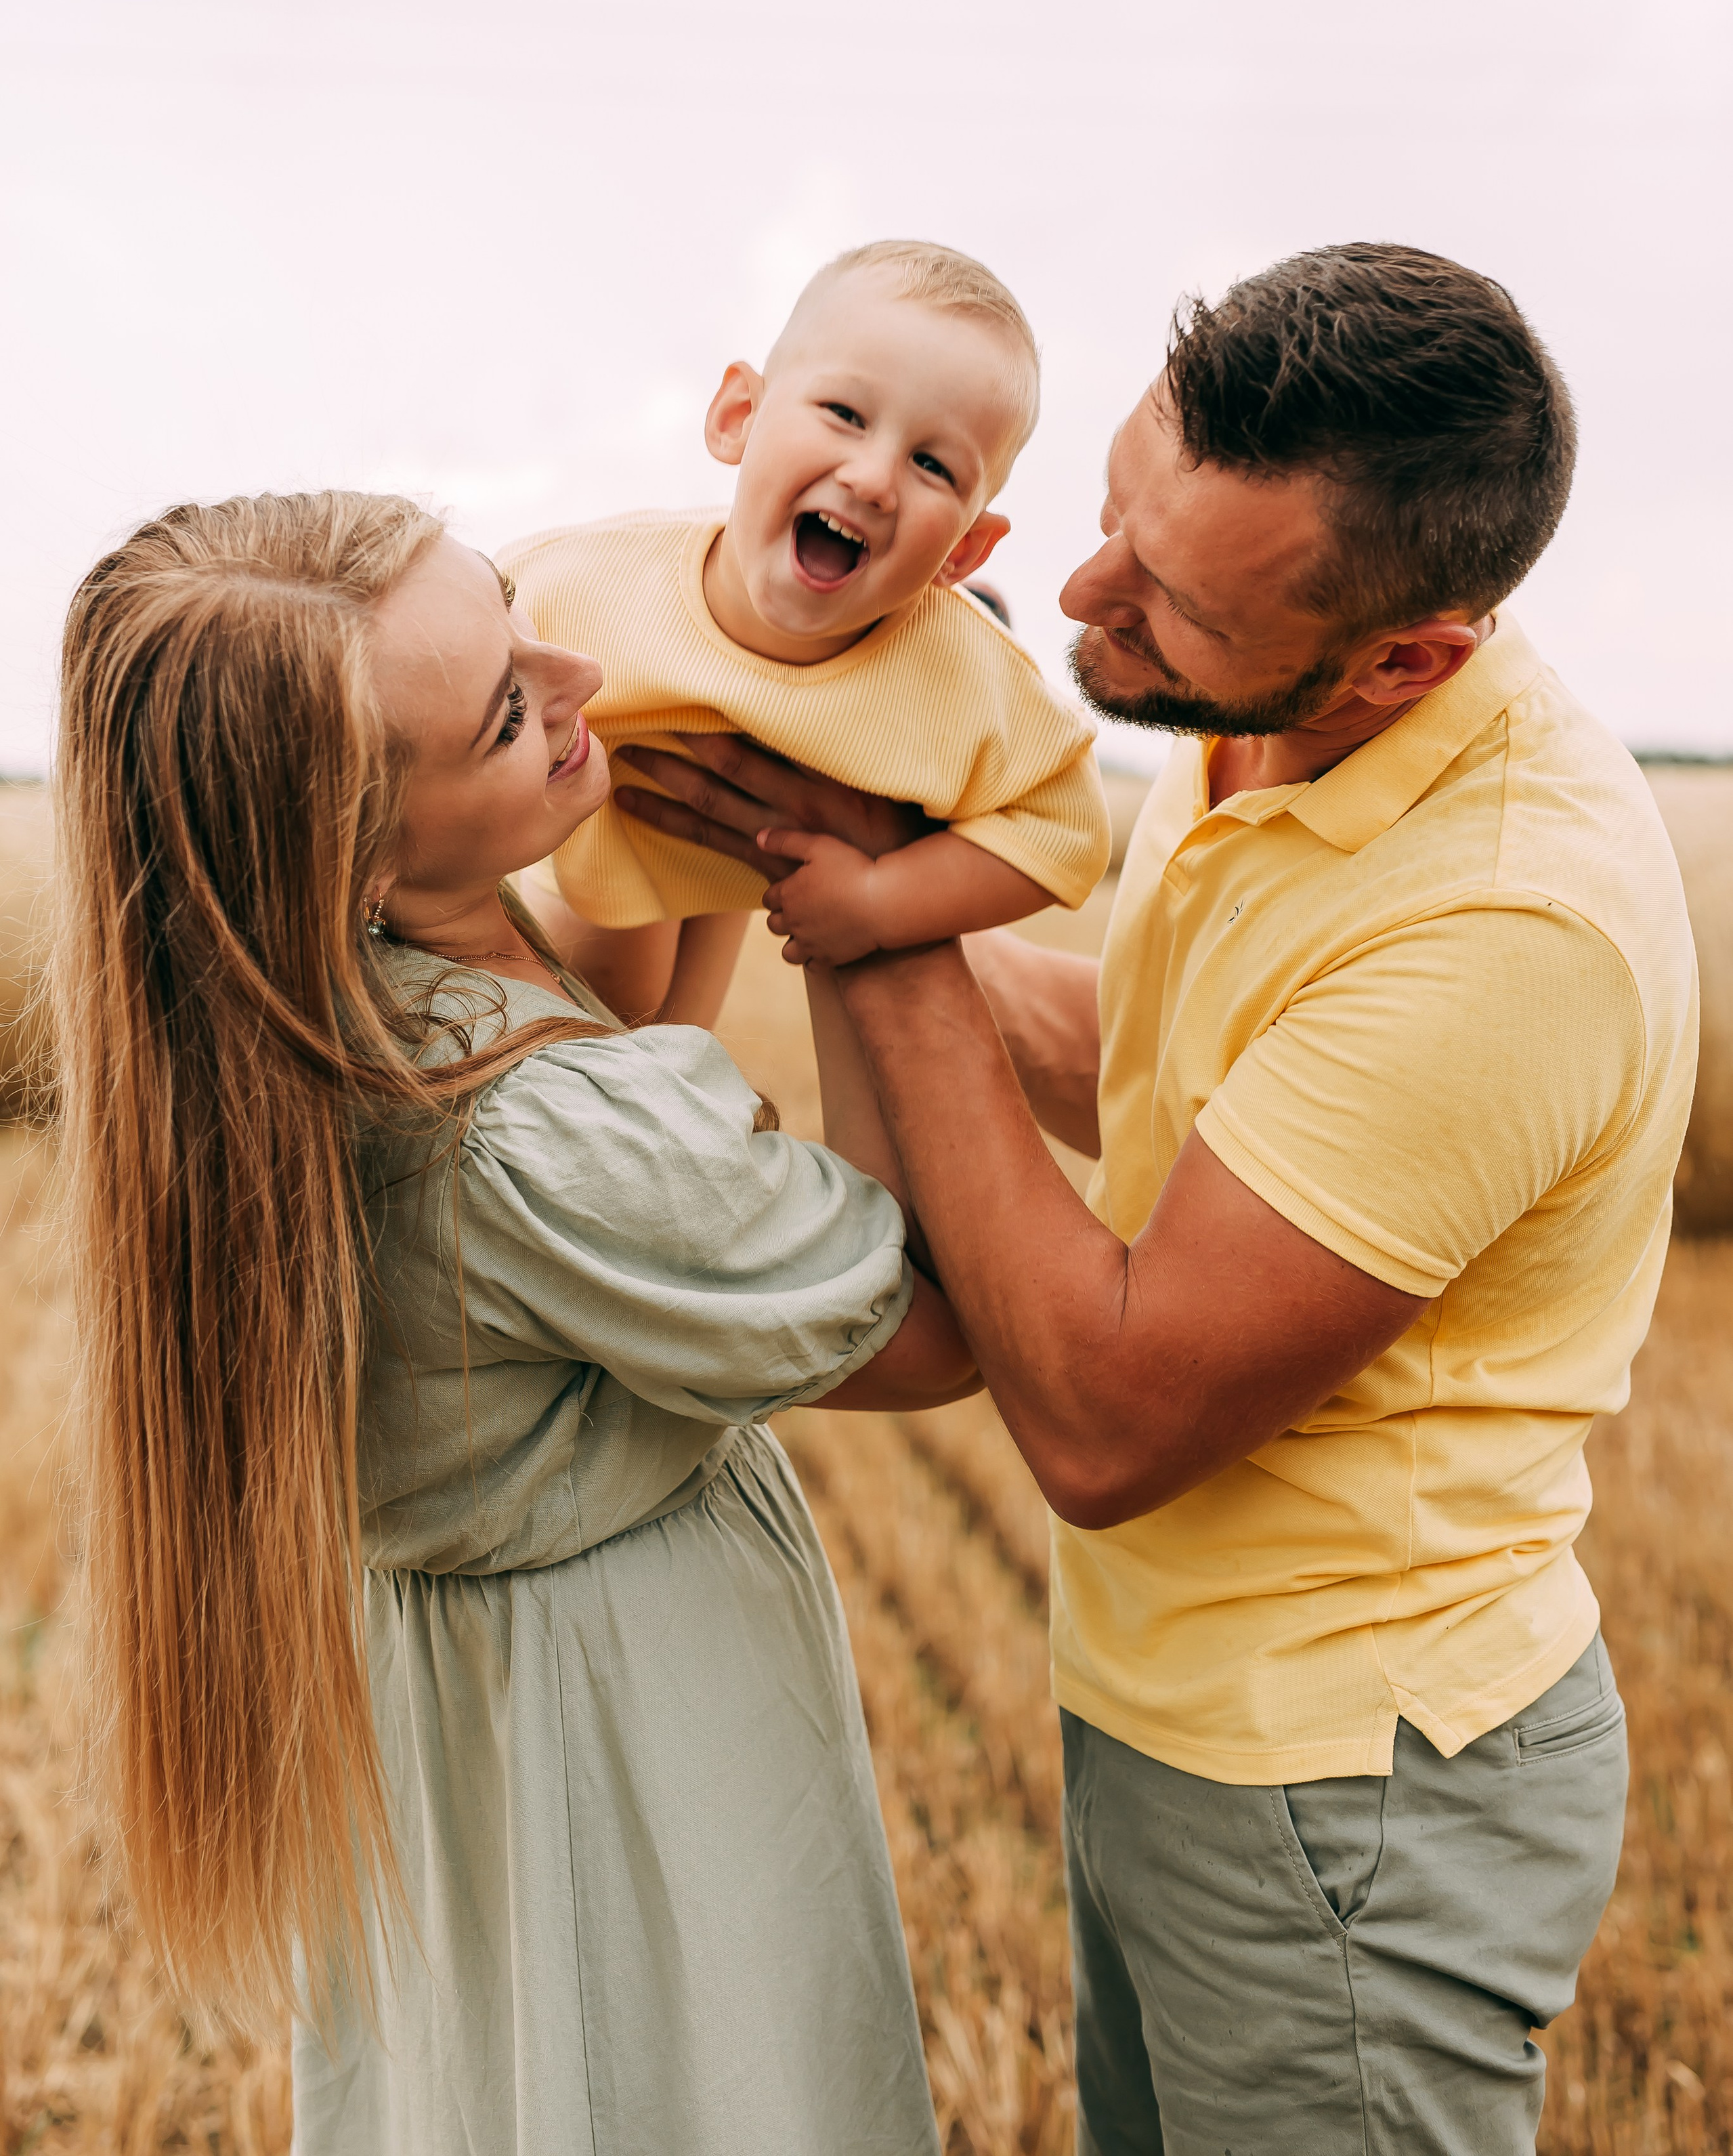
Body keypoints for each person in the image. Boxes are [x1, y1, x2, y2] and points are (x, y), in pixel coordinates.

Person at [616, 242, 1700, 2156]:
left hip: (1342, 1790)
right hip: (1177, 1718)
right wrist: (832, 844)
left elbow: (1105, 1416)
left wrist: (881, 922)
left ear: (1405, 659)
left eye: (1172, 602)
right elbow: (1172, 1056)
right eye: (1117, 508)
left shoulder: (1504, 924)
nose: (1080, 593)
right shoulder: (1270, 709)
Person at [52, 490, 979, 2156]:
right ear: (354, 857)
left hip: (453, 1714)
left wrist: (726, 747)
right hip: (626, 1729)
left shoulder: (301, 1023)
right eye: (501, 710)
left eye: (513, 610)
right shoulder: (524, 1139)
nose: (578, 676)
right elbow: (922, 1320)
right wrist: (865, 902)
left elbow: (634, 1036)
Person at [502, 238, 1109, 1030]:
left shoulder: (958, 671)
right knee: (607, 999)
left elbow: (1070, 830)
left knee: (679, 1057)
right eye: (845, 415)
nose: (873, 478)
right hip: (600, 841)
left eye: (932, 465)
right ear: (739, 418)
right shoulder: (578, 586)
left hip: (743, 858)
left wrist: (882, 901)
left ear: (963, 548)